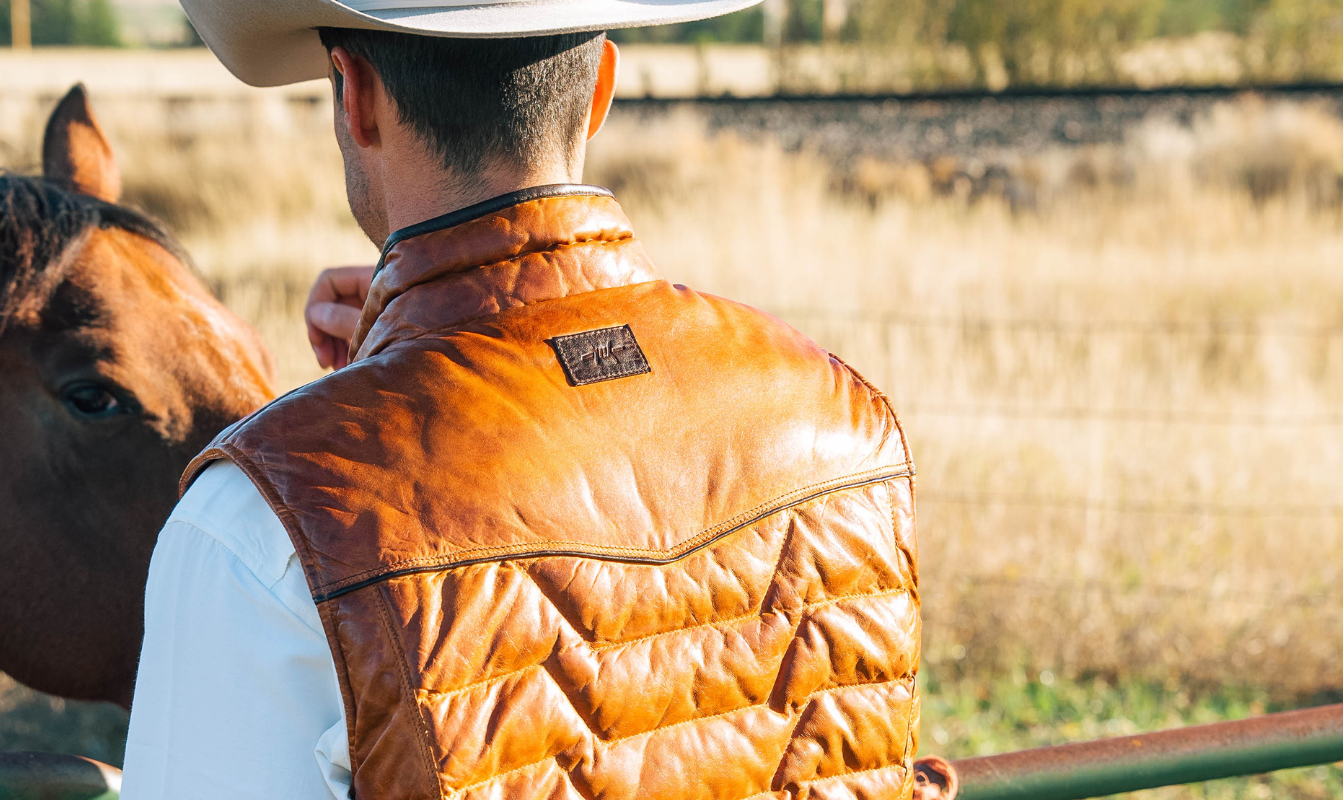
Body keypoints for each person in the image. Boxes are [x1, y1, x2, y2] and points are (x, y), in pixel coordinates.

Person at [122, 1, 956, 798]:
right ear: (599, 94)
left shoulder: (256, 530)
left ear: (358, 98)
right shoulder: (848, 430)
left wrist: (360, 420)